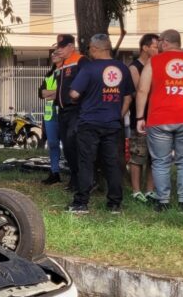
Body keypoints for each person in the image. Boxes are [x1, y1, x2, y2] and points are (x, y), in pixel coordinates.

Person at [135, 29, 183, 212]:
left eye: (159, 42)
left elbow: (142, 90)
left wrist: (139, 117)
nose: (158, 45)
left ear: (165, 42)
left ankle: (163, 201)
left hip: (160, 119)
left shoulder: (154, 62)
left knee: (160, 161)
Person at [66, 34, 134, 214]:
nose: (89, 51)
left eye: (89, 48)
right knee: (112, 163)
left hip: (89, 122)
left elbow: (73, 94)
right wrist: (118, 114)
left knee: (86, 162)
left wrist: (79, 96)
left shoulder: (89, 68)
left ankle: (81, 203)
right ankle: (115, 204)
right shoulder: (122, 68)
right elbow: (128, 96)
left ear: (95, 49)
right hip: (112, 123)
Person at [127, 33, 159, 202]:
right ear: (145, 48)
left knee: (154, 157)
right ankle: (136, 190)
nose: (158, 49)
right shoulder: (135, 67)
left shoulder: (158, 65)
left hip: (157, 119)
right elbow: (139, 91)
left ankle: (150, 190)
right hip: (140, 119)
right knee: (138, 155)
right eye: (155, 46)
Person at [53, 34, 87, 191]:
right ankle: (74, 177)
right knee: (66, 146)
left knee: (73, 143)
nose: (58, 50)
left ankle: (82, 178)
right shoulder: (61, 65)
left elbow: (86, 83)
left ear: (71, 47)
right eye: (57, 47)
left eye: (62, 47)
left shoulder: (80, 60)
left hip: (75, 110)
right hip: (62, 110)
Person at [38, 48, 65, 184]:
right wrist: (55, 92)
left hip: (65, 114)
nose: (54, 56)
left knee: (68, 145)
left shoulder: (68, 71)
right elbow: (41, 93)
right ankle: (54, 173)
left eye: (57, 53)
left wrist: (52, 94)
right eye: (52, 54)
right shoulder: (49, 74)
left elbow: (65, 92)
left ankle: (74, 175)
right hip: (50, 116)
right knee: (53, 144)